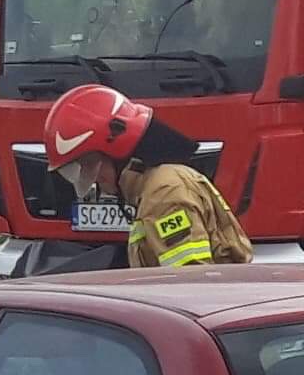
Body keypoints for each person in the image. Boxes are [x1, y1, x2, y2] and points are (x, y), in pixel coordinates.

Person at [44, 82, 250, 268]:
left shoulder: (164, 193)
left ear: (118, 152)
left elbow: (189, 283)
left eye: (91, 167)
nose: (95, 180)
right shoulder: (153, 188)